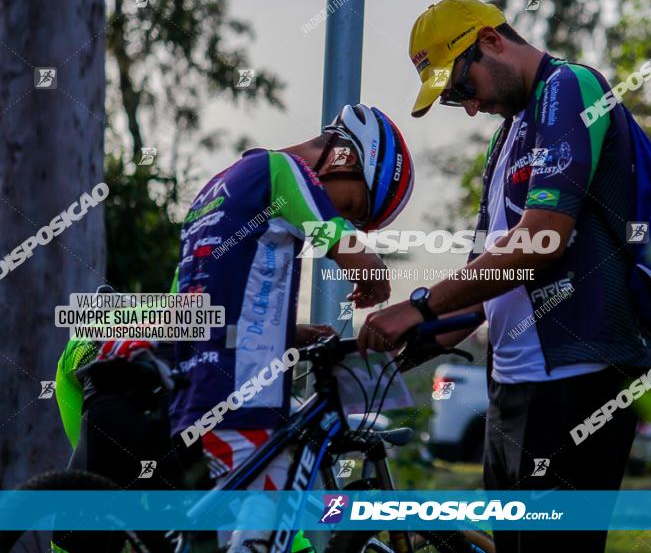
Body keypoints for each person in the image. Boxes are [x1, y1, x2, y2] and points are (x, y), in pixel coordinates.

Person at [358, 0, 651, 552]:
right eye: (451, 101)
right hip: (514, 388)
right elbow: (482, 278)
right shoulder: (506, 136)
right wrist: (413, 333)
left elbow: (541, 240)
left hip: (577, 378)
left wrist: (420, 307)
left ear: (491, 41)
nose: (469, 108)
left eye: (463, 89)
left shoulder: (569, 88)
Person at [54, 103, 415, 553]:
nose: (343, 214)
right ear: (344, 159)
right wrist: (365, 261)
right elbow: (330, 230)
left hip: (163, 389)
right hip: (117, 373)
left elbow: (192, 312)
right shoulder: (277, 169)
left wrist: (286, 334)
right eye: (355, 206)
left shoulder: (219, 189)